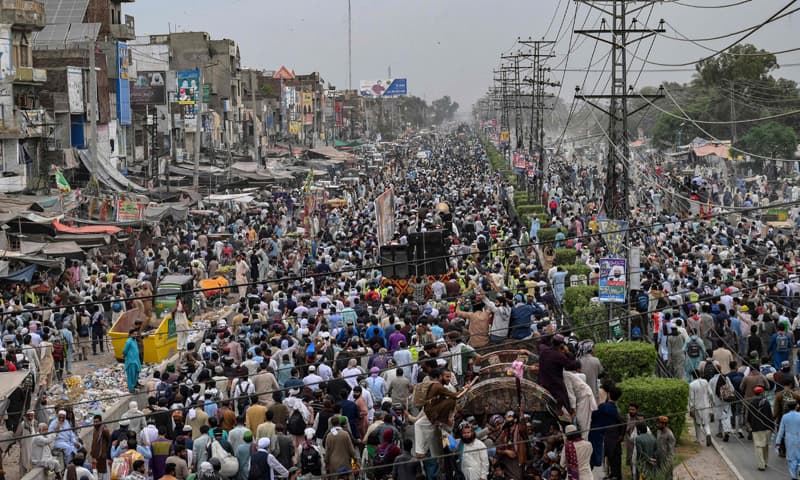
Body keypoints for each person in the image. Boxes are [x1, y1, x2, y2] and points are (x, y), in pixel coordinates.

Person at [745, 385, 774, 471]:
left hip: (757, 428)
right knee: (765, 446)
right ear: (762, 392)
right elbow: (770, 415)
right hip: (767, 427)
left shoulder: (752, 403)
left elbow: (749, 416)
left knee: (758, 447)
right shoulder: (767, 402)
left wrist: (750, 425)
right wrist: (772, 427)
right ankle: (765, 462)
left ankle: (761, 465)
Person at [777, 399, 800, 480]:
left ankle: (794, 476)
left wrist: (778, 442)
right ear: (796, 406)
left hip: (789, 440)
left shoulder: (785, 417)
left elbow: (781, 430)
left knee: (791, 458)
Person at [688, 370, 712, 446]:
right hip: (706, 405)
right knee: (706, 423)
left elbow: (691, 398)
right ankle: (708, 434)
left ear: (692, 376)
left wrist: (691, 408)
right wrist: (711, 403)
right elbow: (710, 393)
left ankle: (698, 440)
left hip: (697, 407)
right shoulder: (705, 382)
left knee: (697, 424)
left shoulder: (691, 385)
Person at [90, 414, 111, 480]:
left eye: (97, 422)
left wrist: (106, 453)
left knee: (104, 473)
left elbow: (109, 441)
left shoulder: (104, 430)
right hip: (96, 456)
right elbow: (94, 442)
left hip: (103, 455)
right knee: (98, 473)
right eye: (94, 422)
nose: (95, 423)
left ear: (101, 421)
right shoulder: (95, 429)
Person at [123, 329, 142, 393]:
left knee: (135, 375)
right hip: (131, 361)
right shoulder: (129, 341)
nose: (135, 335)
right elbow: (124, 351)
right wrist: (125, 355)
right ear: (130, 334)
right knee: (131, 376)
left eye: (136, 334)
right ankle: (131, 389)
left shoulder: (134, 341)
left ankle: (133, 386)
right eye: (134, 334)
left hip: (136, 361)